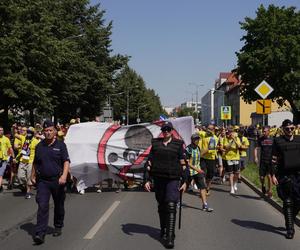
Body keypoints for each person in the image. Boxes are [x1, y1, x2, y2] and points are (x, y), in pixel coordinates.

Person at [144, 121, 187, 249]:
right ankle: (163, 228)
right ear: (162, 131)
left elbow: (183, 164)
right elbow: (149, 162)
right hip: (158, 178)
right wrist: (147, 179)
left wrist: (185, 181)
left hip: (173, 179)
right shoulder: (155, 144)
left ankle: (170, 236)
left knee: (171, 204)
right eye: (164, 129)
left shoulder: (178, 144)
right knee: (162, 205)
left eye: (168, 129)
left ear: (172, 130)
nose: (166, 131)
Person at [31, 120, 70, 244]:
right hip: (43, 181)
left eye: (50, 130)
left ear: (54, 132)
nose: (48, 133)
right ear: (43, 132)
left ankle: (58, 225)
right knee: (42, 205)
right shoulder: (39, 146)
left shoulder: (61, 145)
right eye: (46, 131)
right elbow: (35, 162)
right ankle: (40, 233)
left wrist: (64, 176)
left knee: (59, 205)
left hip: (57, 181)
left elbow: (66, 162)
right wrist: (32, 176)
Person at [272, 119, 300, 239]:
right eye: (287, 129)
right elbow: (273, 159)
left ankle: (290, 218)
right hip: (284, 175)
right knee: (288, 202)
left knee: (298, 201)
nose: (289, 130)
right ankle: (290, 229)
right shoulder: (278, 141)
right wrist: (273, 175)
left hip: (298, 175)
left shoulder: (299, 140)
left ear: (294, 128)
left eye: (291, 128)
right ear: (283, 129)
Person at [185, 133, 213, 212]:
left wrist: (207, 149)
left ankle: (205, 205)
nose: (197, 141)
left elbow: (199, 156)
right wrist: (197, 169)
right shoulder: (188, 149)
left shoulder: (198, 148)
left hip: (198, 171)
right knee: (184, 187)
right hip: (190, 171)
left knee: (202, 187)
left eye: (198, 139)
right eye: (196, 139)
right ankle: (177, 201)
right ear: (192, 140)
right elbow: (188, 163)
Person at [16, 127, 40, 199]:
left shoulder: (36, 141)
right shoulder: (23, 138)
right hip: (23, 160)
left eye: (30, 132)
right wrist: (14, 128)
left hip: (31, 161)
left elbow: (42, 146)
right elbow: (15, 135)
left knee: (29, 177)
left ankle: (28, 192)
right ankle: (26, 185)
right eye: (28, 132)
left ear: (33, 134)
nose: (29, 134)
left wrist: (39, 136)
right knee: (20, 176)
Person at [254, 126, 273, 197]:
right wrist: (256, 157)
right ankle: (263, 185)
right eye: (263, 131)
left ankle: (270, 190)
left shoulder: (273, 139)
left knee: (269, 176)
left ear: (269, 131)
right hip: (263, 160)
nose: (263, 133)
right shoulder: (260, 139)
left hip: (270, 161)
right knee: (262, 177)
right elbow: (256, 148)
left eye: (265, 131)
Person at [221, 129, 241, 194]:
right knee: (231, 173)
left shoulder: (237, 138)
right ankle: (232, 187)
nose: (230, 134)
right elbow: (226, 147)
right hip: (228, 158)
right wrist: (231, 141)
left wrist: (234, 139)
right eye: (229, 133)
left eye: (231, 133)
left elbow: (239, 146)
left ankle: (235, 183)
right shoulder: (225, 139)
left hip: (236, 157)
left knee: (237, 173)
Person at [200, 124, 218, 196]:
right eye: (208, 128)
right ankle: (203, 189)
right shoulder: (203, 134)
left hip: (211, 159)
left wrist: (200, 154)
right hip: (203, 158)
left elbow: (209, 149)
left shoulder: (214, 138)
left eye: (210, 129)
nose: (208, 130)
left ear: (213, 130)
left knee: (209, 176)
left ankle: (207, 188)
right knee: (202, 174)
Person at [0, 126, 15, 192]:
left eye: (2, 130)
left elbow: (10, 148)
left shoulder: (6, 139)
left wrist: (13, 157)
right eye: (0, 130)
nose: (1, 131)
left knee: (1, 173)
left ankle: (2, 185)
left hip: (4, 159)